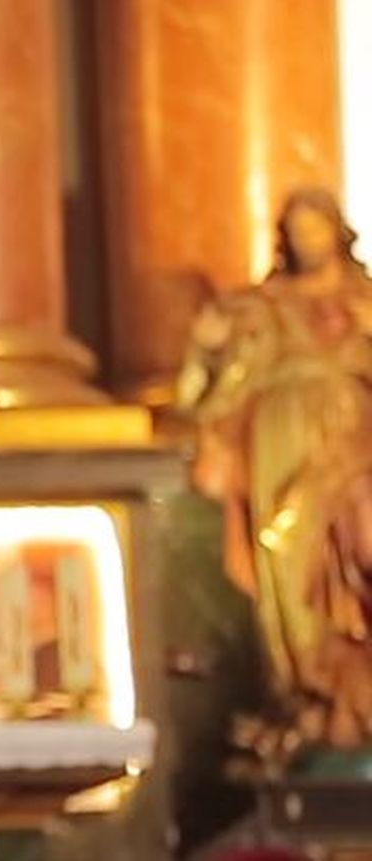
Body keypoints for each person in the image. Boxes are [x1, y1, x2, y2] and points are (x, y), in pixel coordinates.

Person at [177, 187, 372, 749]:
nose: (307, 240)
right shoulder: (260, 306)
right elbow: (201, 392)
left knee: (358, 547)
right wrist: (206, 348)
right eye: (296, 230)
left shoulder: (364, 297)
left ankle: (354, 686)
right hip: (280, 438)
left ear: (337, 231)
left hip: (353, 433)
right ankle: (304, 687)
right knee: (284, 552)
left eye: (316, 227)